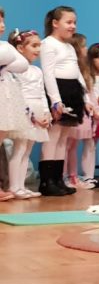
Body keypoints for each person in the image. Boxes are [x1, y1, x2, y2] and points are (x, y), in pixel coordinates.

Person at [40, 6, 97, 196]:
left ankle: (58, 179)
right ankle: (47, 181)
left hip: (72, 91)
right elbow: (48, 74)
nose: (73, 26)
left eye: (75, 22)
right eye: (69, 22)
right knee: (53, 137)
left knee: (63, 138)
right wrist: (55, 101)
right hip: (58, 90)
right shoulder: (48, 44)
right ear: (55, 23)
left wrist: (86, 98)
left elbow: (78, 73)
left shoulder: (69, 46)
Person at [7, 29, 49, 199]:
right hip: (24, 111)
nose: (38, 49)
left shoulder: (37, 71)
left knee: (27, 151)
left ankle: (21, 186)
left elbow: (41, 93)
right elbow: (18, 94)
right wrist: (32, 115)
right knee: (19, 149)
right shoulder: (16, 70)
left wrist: (45, 112)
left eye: (39, 45)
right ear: (20, 48)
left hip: (37, 110)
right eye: (34, 45)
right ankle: (13, 187)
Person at [63, 33, 99, 189]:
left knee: (73, 145)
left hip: (83, 111)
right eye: (84, 46)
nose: (86, 49)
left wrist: (95, 107)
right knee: (65, 145)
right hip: (73, 108)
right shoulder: (70, 69)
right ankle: (63, 176)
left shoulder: (85, 70)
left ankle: (72, 176)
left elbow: (89, 92)